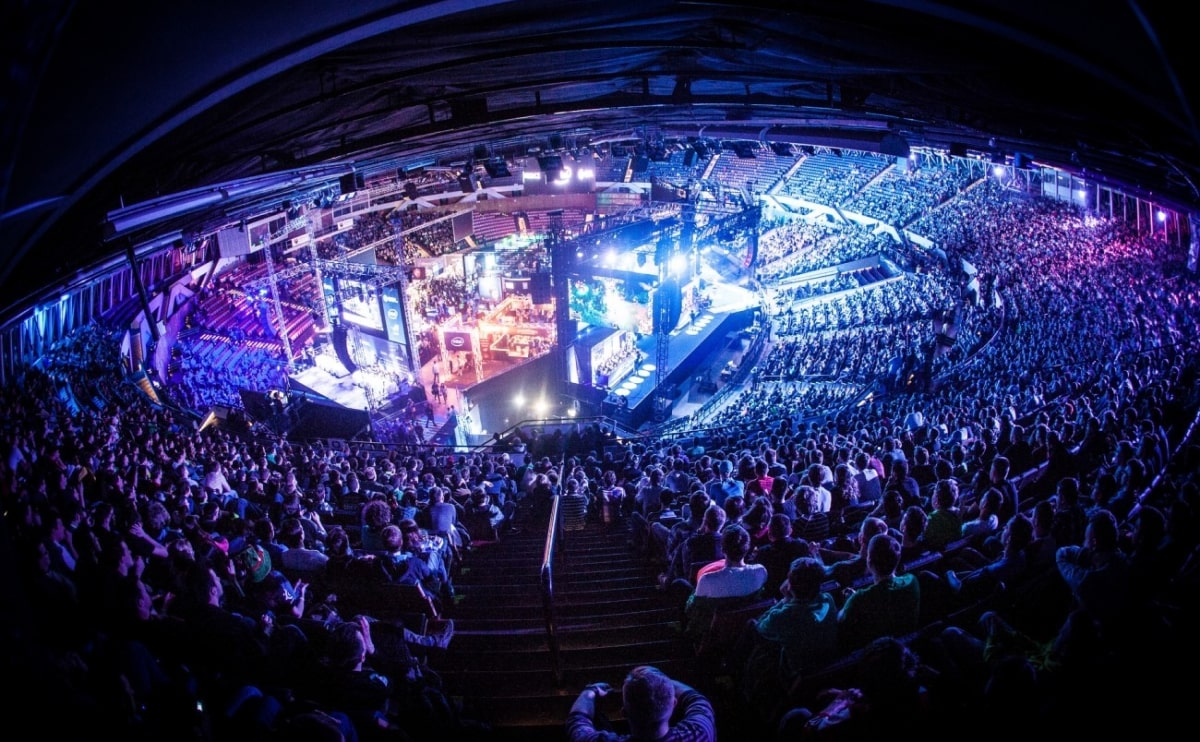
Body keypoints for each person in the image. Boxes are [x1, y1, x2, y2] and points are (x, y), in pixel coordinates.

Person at [566, 665, 716, 742]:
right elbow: (695, 698)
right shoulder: (700, 733)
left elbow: (577, 722)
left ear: (624, 712)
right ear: (674, 703)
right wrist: (657, 681)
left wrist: (590, 691)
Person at [837, 533, 921, 652]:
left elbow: (840, 620)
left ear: (869, 562)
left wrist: (850, 600)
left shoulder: (859, 599)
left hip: (876, 654)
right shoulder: (912, 580)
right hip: (907, 646)